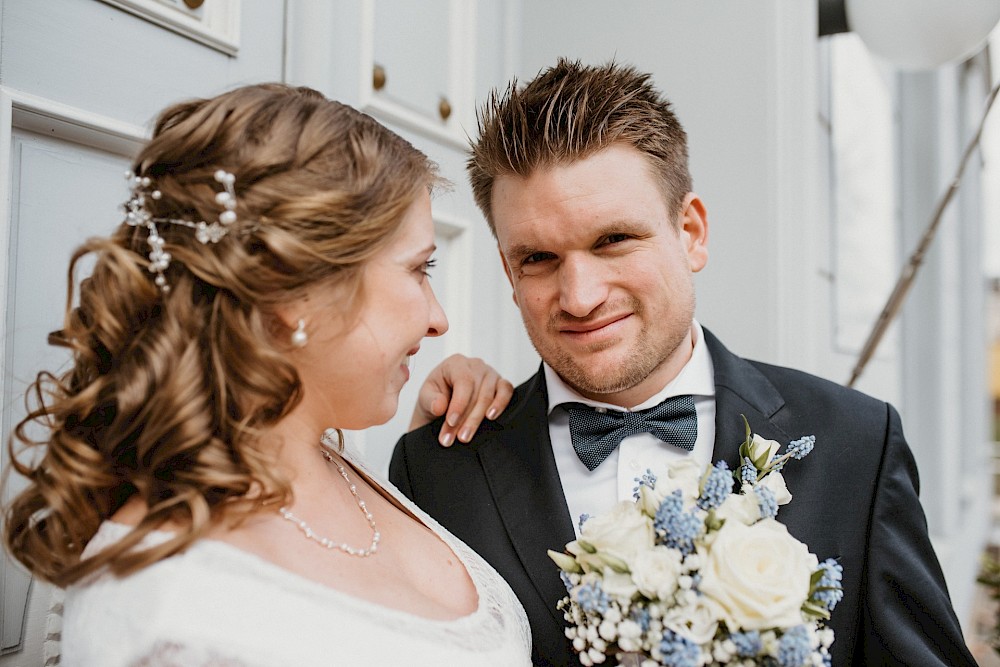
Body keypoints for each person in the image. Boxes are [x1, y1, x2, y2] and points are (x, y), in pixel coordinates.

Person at [390, 60, 977, 666]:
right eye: (538, 257)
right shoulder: (438, 470)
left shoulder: (854, 444)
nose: (580, 296)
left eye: (613, 240)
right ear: (510, 273)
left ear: (690, 232)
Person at [2, 83, 530, 666]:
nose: (438, 320)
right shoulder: (159, 607)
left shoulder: (335, 458)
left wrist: (432, 448)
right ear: (296, 293)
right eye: (418, 269)